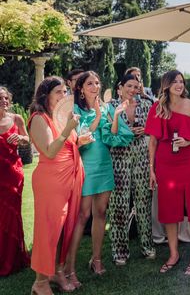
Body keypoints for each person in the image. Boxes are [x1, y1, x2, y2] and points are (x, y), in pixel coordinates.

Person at [66, 71, 133, 284]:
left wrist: (115, 116)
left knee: (101, 213)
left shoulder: (106, 108)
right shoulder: (73, 110)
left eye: (97, 82)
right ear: (81, 88)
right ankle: (69, 267)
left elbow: (115, 136)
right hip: (85, 166)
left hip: (104, 163)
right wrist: (96, 116)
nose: (95, 86)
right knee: (83, 216)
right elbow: (81, 139)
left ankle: (96, 260)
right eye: (89, 83)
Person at [146, 70, 190, 275]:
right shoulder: (158, 106)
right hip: (165, 163)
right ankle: (173, 253)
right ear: (167, 85)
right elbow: (153, 141)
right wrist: (151, 169)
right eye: (175, 82)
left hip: (189, 161)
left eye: (181, 81)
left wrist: (189, 141)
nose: (179, 85)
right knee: (169, 209)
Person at [28, 77, 85, 295]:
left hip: (69, 177)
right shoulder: (38, 118)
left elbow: (69, 143)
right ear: (46, 95)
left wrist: (79, 138)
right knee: (49, 230)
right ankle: (40, 282)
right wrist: (68, 128)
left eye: (64, 91)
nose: (64, 96)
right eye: (59, 92)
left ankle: (56, 270)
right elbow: (50, 151)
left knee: (64, 229)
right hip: (51, 181)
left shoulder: (60, 117)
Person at [108, 73, 155, 265]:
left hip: (142, 156)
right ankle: (120, 251)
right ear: (121, 86)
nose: (132, 90)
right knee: (118, 205)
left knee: (143, 202)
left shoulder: (147, 104)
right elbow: (110, 129)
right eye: (129, 86)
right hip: (119, 156)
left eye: (136, 86)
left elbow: (154, 130)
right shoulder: (111, 106)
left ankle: (147, 246)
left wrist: (145, 130)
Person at [0, 86, 30, 276]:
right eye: (0, 98)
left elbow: (28, 139)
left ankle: (13, 259)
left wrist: (20, 137)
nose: (4, 101)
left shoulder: (16, 119)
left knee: (11, 215)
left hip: (12, 173)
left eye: (5, 98)